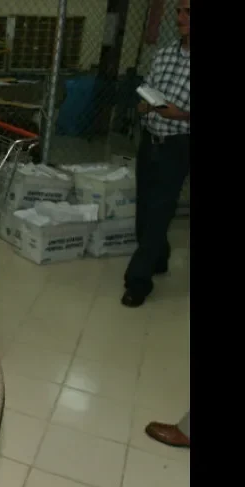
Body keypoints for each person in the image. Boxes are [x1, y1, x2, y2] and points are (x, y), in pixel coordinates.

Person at [122, 0, 190, 307]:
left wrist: (180, 114)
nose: (180, 17)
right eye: (178, 11)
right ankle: (158, 258)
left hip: (178, 146)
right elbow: (148, 88)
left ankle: (138, 281)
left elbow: (178, 112)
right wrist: (144, 103)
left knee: (160, 209)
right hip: (149, 140)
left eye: (187, 12)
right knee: (146, 207)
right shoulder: (164, 55)